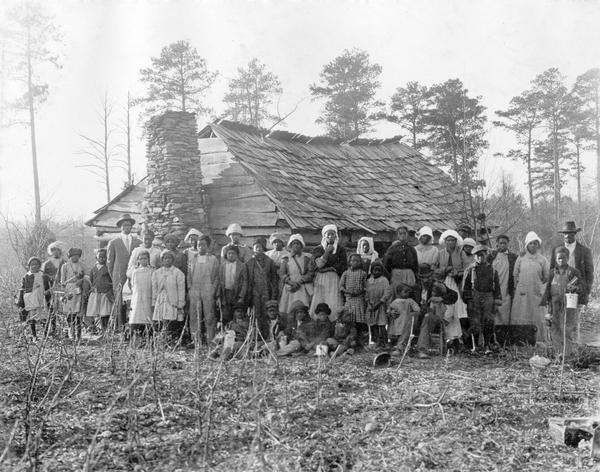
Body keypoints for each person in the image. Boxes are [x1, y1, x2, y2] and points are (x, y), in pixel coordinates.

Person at [541, 246, 583, 359]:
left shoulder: (573, 272)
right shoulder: (551, 273)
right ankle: (558, 353)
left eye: (563, 258)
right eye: (559, 258)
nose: (561, 260)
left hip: (569, 304)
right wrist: (548, 307)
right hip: (554, 304)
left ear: (568, 258)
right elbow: (548, 290)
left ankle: (567, 355)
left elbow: (581, 286)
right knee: (555, 328)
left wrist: (575, 288)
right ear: (555, 259)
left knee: (567, 328)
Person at [511, 231, 550, 342]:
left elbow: (546, 276)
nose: (533, 245)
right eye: (531, 243)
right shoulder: (521, 258)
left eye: (535, 243)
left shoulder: (542, 259)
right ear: (527, 245)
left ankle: (538, 340)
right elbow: (515, 274)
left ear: (538, 245)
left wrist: (540, 287)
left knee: (537, 314)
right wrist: (517, 287)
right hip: (522, 293)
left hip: (536, 292)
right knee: (522, 313)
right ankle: (521, 340)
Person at [462, 245, 502, 352]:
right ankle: (475, 346)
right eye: (478, 256)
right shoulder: (470, 270)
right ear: (474, 257)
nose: (480, 258)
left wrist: (497, 300)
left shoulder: (493, 271)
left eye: (482, 255)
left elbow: (497, 287)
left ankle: (487, 345)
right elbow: (465, 288)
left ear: (486, 255)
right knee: (475, 322)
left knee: (489, 322)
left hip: (489, 297)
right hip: (475, 297)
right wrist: (468, 300)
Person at [107, 214, 141, 329]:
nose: (127, 227)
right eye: (124, 225)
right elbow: (110, 263)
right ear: (120, 227)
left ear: (131, 227)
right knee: (120, 301)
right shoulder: (114, 242)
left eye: (129, 225)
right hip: (119, 276)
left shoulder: (137, 242)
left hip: (134, 275)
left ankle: (133, 327)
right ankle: (121, 328)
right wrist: (114, 277)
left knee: (134, 300)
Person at [416, 267, 459, 358]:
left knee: (428, 317)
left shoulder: (436, 285)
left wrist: (441, 298)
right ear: (419, 278)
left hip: (435, 316)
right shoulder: (416, 288)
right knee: (411, 316)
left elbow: (454, 295)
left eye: (428, 277)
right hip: (421, 314)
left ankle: (422, 350)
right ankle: (400, 347)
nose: (426, 280)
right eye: (423, 277)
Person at [550, 221, 594, 308]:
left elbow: (589, 274)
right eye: (565, 233)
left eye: (570, 233)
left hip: (577, 291)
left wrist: (586, 292)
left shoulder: (584, 251)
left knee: (574, 319)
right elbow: (551, 271)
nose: (567, 236)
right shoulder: (556, 250)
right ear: (563, 234)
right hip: (559, 290)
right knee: (559, 318)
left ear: (575, 233)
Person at [438, 230, 469, 347]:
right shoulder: (440, 253)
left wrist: (458, 273)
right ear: (445, 241)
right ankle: (448, 337)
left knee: (458, 308)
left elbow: (467, 268)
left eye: (453, 240)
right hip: (444, 282)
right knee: (446, 308)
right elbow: (435, 268)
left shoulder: (461, 253)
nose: (450, 242)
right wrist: (444, 271)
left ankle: (458, 336)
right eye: (448, 240)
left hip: (457, 283)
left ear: (456, 241)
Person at [188, 234, 220, 344]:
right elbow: (189, 275)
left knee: (209, 315)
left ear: (208, 246)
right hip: (195, 289)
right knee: (194, 314)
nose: (201, 247)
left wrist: (213, 288)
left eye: (203, 245)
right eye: (199, 245)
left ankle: (210, 339)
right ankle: (195, 340)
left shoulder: (213, 259)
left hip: (208, 289)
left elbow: (216, 276)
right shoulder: (193, 259)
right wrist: (190, 288)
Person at [309, 224, 347, 319]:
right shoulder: (318, 249)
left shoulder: (340, 249)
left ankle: (333, 320)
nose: (330, 236)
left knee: (333, 298)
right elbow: (318, 265)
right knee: (320, 297)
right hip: (321, 279)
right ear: (324, 236)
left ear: (336, 236)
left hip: (334, 278)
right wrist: (327, 252)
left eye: (332, 234)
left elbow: (343, 265)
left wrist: (329, 269)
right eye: (328, 234)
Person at [245, 237, 279, 337]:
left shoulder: (270, 262)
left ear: (264, 248)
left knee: (266, 313)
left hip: (266, 291)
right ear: (253, 249)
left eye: (260, 247)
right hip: (254, 292)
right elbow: (246, 280)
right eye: (256, 247)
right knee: (255, 313)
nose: (258, 249)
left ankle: (267, 335)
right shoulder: (249, 263)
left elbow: (274, 279)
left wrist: (274, 294)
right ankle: (255, 335)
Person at [278, 234, 315, 323]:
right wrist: (290, 282)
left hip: (303, 287)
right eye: (293, 243)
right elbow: (282, 274)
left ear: (302, 245)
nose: (296, 245)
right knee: (289, 308)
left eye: (298, 244)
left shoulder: (307, 257)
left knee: (303, 307)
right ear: (290, 246)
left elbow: (311, 273)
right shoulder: (286, 258)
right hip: (290, 288)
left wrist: (299, 282)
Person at [152, 250, 186, 339]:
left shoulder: (178, 273)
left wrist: (180, 302)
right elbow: (154, 288)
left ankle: (171, 337)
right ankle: (162, 338)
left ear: (173, 260)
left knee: (170, 318)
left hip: (172, 299)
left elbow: (181, 289)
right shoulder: (157, 272)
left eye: (169, 258)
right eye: (165, 258)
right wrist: (154, 300)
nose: (167, 260)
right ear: (162, 260)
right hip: (161, 298)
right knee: (161, 318)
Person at [17, 257, 51, 340]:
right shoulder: (26, 276)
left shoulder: (43, 275)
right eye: (32, 265)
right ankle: (34, 335)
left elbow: (48, 287)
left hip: (41, 297)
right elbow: (22, 289)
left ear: (39, 265)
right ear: (29, 266)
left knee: (43, 315)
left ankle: (45, 334)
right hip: (30, 298)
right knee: (32, 316)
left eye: (36, 264)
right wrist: (20, 302)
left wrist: (48, 294)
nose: (34, 266)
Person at [383, 225, 419, 301]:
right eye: (400, 233)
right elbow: (386, 264)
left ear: (407, 235)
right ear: (397, 235)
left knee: (408, 294)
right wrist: (389, 277)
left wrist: (416, 277)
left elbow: (415, 264)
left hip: (409, 275)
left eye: (404, 233)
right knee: (396, 294)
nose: (402, 235)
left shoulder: (411, 249)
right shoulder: (392, 249)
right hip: (396, 275)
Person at [488, 235, 518, 325]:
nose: (502, 245)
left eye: (505, 243)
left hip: (506, 290)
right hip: (493, 290)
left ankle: (505, 337)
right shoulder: (491, 256)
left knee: (505, 316)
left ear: (508, 244)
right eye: (500, 243)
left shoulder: (513, 257)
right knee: (493, 315)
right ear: (497, 244)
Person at [218, 245, 248, 326]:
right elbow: (219, 281)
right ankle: (226, 332)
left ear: (237, 255)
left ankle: (236, 331)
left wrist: (241, 296)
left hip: (236, 293)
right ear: (226, 255)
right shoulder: (223, 265)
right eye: (229, 253)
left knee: (236, 313)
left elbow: (245, 281)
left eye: (233, 253)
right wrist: (218, 295)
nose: (231, 255)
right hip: (225, 293)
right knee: (225, 314)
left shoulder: (242, 266)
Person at [61, 248, 86, 340]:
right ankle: (71, 331)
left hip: (79, 289)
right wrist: (65, 293)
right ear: (69, 256)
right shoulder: (65, 266)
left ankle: (79, 333)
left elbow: (85, 278)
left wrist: (81, 282)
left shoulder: (82, 266)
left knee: (78, 311)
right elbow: (62, 281)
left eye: (77, 256)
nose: (74, 258)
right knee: (69, 311)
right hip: (69, 290)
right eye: (72, 256)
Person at [387, 284, 421, 354]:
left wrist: (413, 312)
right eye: (405, 291)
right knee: (397, 335)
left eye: (408, 292)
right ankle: (398, 347)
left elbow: (417, 309)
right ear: (399, 293)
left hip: (406, 321)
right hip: (397, 321)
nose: (408, 293)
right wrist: (391, 312)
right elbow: (389, 310)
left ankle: (402, 348)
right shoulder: (395, 301)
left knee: (405, 334)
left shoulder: (410, 301)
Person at [340, 253, 368, 337]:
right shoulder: (346, 273)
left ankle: (360, 337)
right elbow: (341, 286)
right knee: (350, 319)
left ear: (360, 262)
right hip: (349, 299)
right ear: (349, 262)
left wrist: (360, 291)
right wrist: (347, 291)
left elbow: (366, 286)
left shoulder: (363, 273)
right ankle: (351, 337)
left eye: (357, 261)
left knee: (359, 319)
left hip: (359, 299)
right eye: (353, 260)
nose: (355, 262)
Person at [86, 249, 114, 334]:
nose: (102, 259)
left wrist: (109, 289)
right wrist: (90, 289)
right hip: (95, 293)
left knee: (104, 312)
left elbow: (111, 280)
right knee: (95, 312)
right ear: (96, 258)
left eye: (104, 257)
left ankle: (105, 330)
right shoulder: (93, 269)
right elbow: (90, 280)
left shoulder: (108, 268)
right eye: (100, 257)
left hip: (104, 294)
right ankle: (94, 329)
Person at [42, 241, 66, 335]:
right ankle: (53, 328)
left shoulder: (64, 262)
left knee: (62, 308)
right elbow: (43, 276)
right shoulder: (47, 264)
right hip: (50, 288)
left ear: (60, 251)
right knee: (51, 308)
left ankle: (63, 329)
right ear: (50, 251)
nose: (55, 252)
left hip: (61, 288)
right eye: (53, 250)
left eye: (57, 250)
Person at [129, 250, 154, 340]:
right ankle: (136, 338)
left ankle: (148, 338)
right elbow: (133, 285)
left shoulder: (151, 271)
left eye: (145, 259)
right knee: (136, 315)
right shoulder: (135, 272)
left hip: (148, 296)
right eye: (141, 259)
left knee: (147, 316)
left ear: (148, 259)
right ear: (138, 260)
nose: (143, 261)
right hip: (137, 297)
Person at [365, 260, 389, 347]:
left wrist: (380, 302)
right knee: (373, 324)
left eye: (379, 270)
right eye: (375, 270)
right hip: (371, 305)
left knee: (381, 324)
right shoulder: (368, 281)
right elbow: (366, 293)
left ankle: (384, 342)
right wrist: (368, 303)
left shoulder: (384, 280)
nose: (377, 272)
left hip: (380, 305)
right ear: (371, 271)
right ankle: (375, 341)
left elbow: (387, 292)